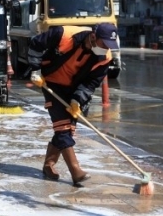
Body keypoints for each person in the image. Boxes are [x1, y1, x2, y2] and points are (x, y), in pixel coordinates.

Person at [27, 22, 119, 187]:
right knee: (62, 128)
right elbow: (36, 44)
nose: (106, 48)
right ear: (93, 36)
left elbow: (91, 82)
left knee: (68, 129)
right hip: (50, 83)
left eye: (109, 45)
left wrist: (77, 100)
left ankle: (49, 165)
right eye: (104, 44)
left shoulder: (105, 58)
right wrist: (35, 70)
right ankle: (76, 172)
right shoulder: (64, 34)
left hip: (73, 89)